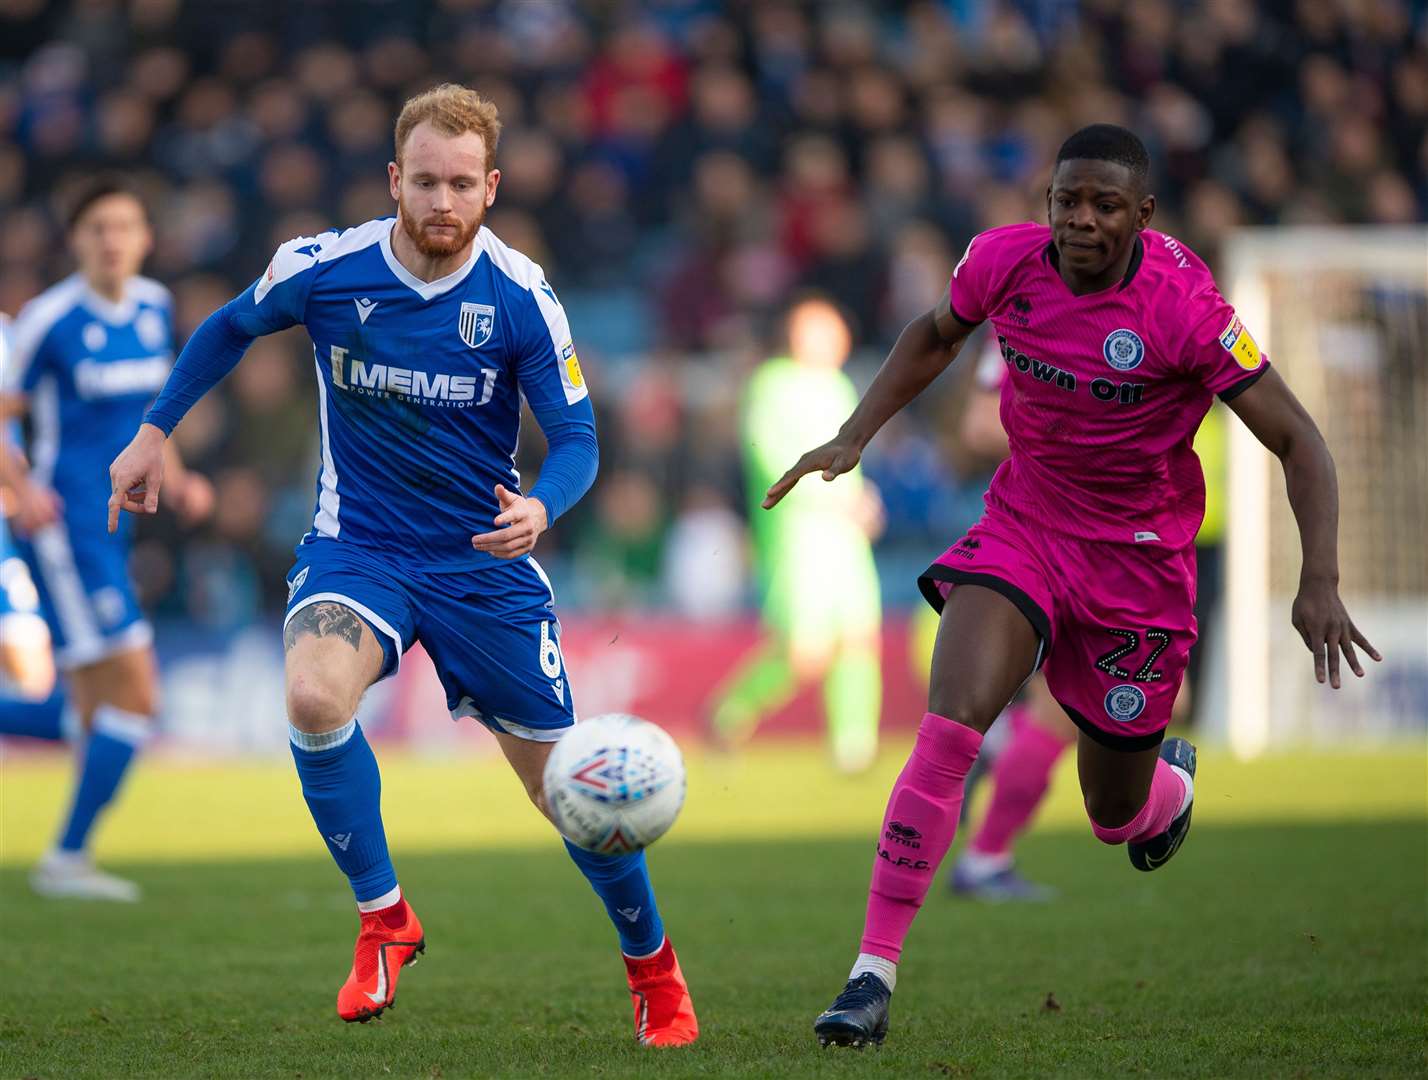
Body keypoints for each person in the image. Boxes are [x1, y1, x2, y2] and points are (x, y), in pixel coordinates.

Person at [762, 124, 1379, 1048]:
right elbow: (934, 336)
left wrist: (1319, 579)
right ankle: (870, 975)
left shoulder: (1186, 307)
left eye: (1103, 205)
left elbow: (1300, 440)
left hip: (1139, 567)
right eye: (1065, 201)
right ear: (1046, 201)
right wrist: (858, 432)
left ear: (1142, 214)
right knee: (950, 724)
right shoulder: (1004, 262)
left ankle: (1164, 789)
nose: (1080, 221)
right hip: (1026, 527)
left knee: (1112, 815)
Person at [106, 84, 698, 1045]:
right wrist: (152, 432)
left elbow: (579, 435)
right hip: (360, 549)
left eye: (461, 184)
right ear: (394, 178)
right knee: (311, 699)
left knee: (573, 797)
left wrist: (545, 503)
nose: (441, 202)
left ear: (492, 188)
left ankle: (655, 973)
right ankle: (385, 918)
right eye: (424, 181)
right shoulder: (326, 268)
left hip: (482, 566)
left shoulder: (520, 296)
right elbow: (226, 328)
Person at [0, 183, 214, 901]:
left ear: (147, 236)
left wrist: (179, 476)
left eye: (124, 226)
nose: (112, 240)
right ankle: (66, 858)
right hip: (68, 532)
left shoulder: (154, 306)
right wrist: (24, 491)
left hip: (120, 529)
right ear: (75, 241)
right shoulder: (49, 319)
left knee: (86, 712)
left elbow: (156, 412)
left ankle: (69, 859)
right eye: (96, 228)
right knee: (136, 692)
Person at [709, 295, 884, 772]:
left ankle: (854, 747)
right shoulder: (772, 385)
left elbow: (852, 459)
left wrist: (863, 501)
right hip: (799, 535)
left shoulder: (840, 386)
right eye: (823, 329)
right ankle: (730, 712)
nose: (835, 339)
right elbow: (773, 460)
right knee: (803, 651)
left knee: (857, 638)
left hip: (845, 535)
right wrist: (838, 499)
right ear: (798, 335)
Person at [944, 339, 1076, 901]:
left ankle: (995, 743)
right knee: (1066, 706)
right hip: (1050, 536)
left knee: (1164, 698)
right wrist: (1082, 440)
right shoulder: (1017, 324)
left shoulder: (1123, 312)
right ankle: (985, 856)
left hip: (1107, 538)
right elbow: (979, 427)